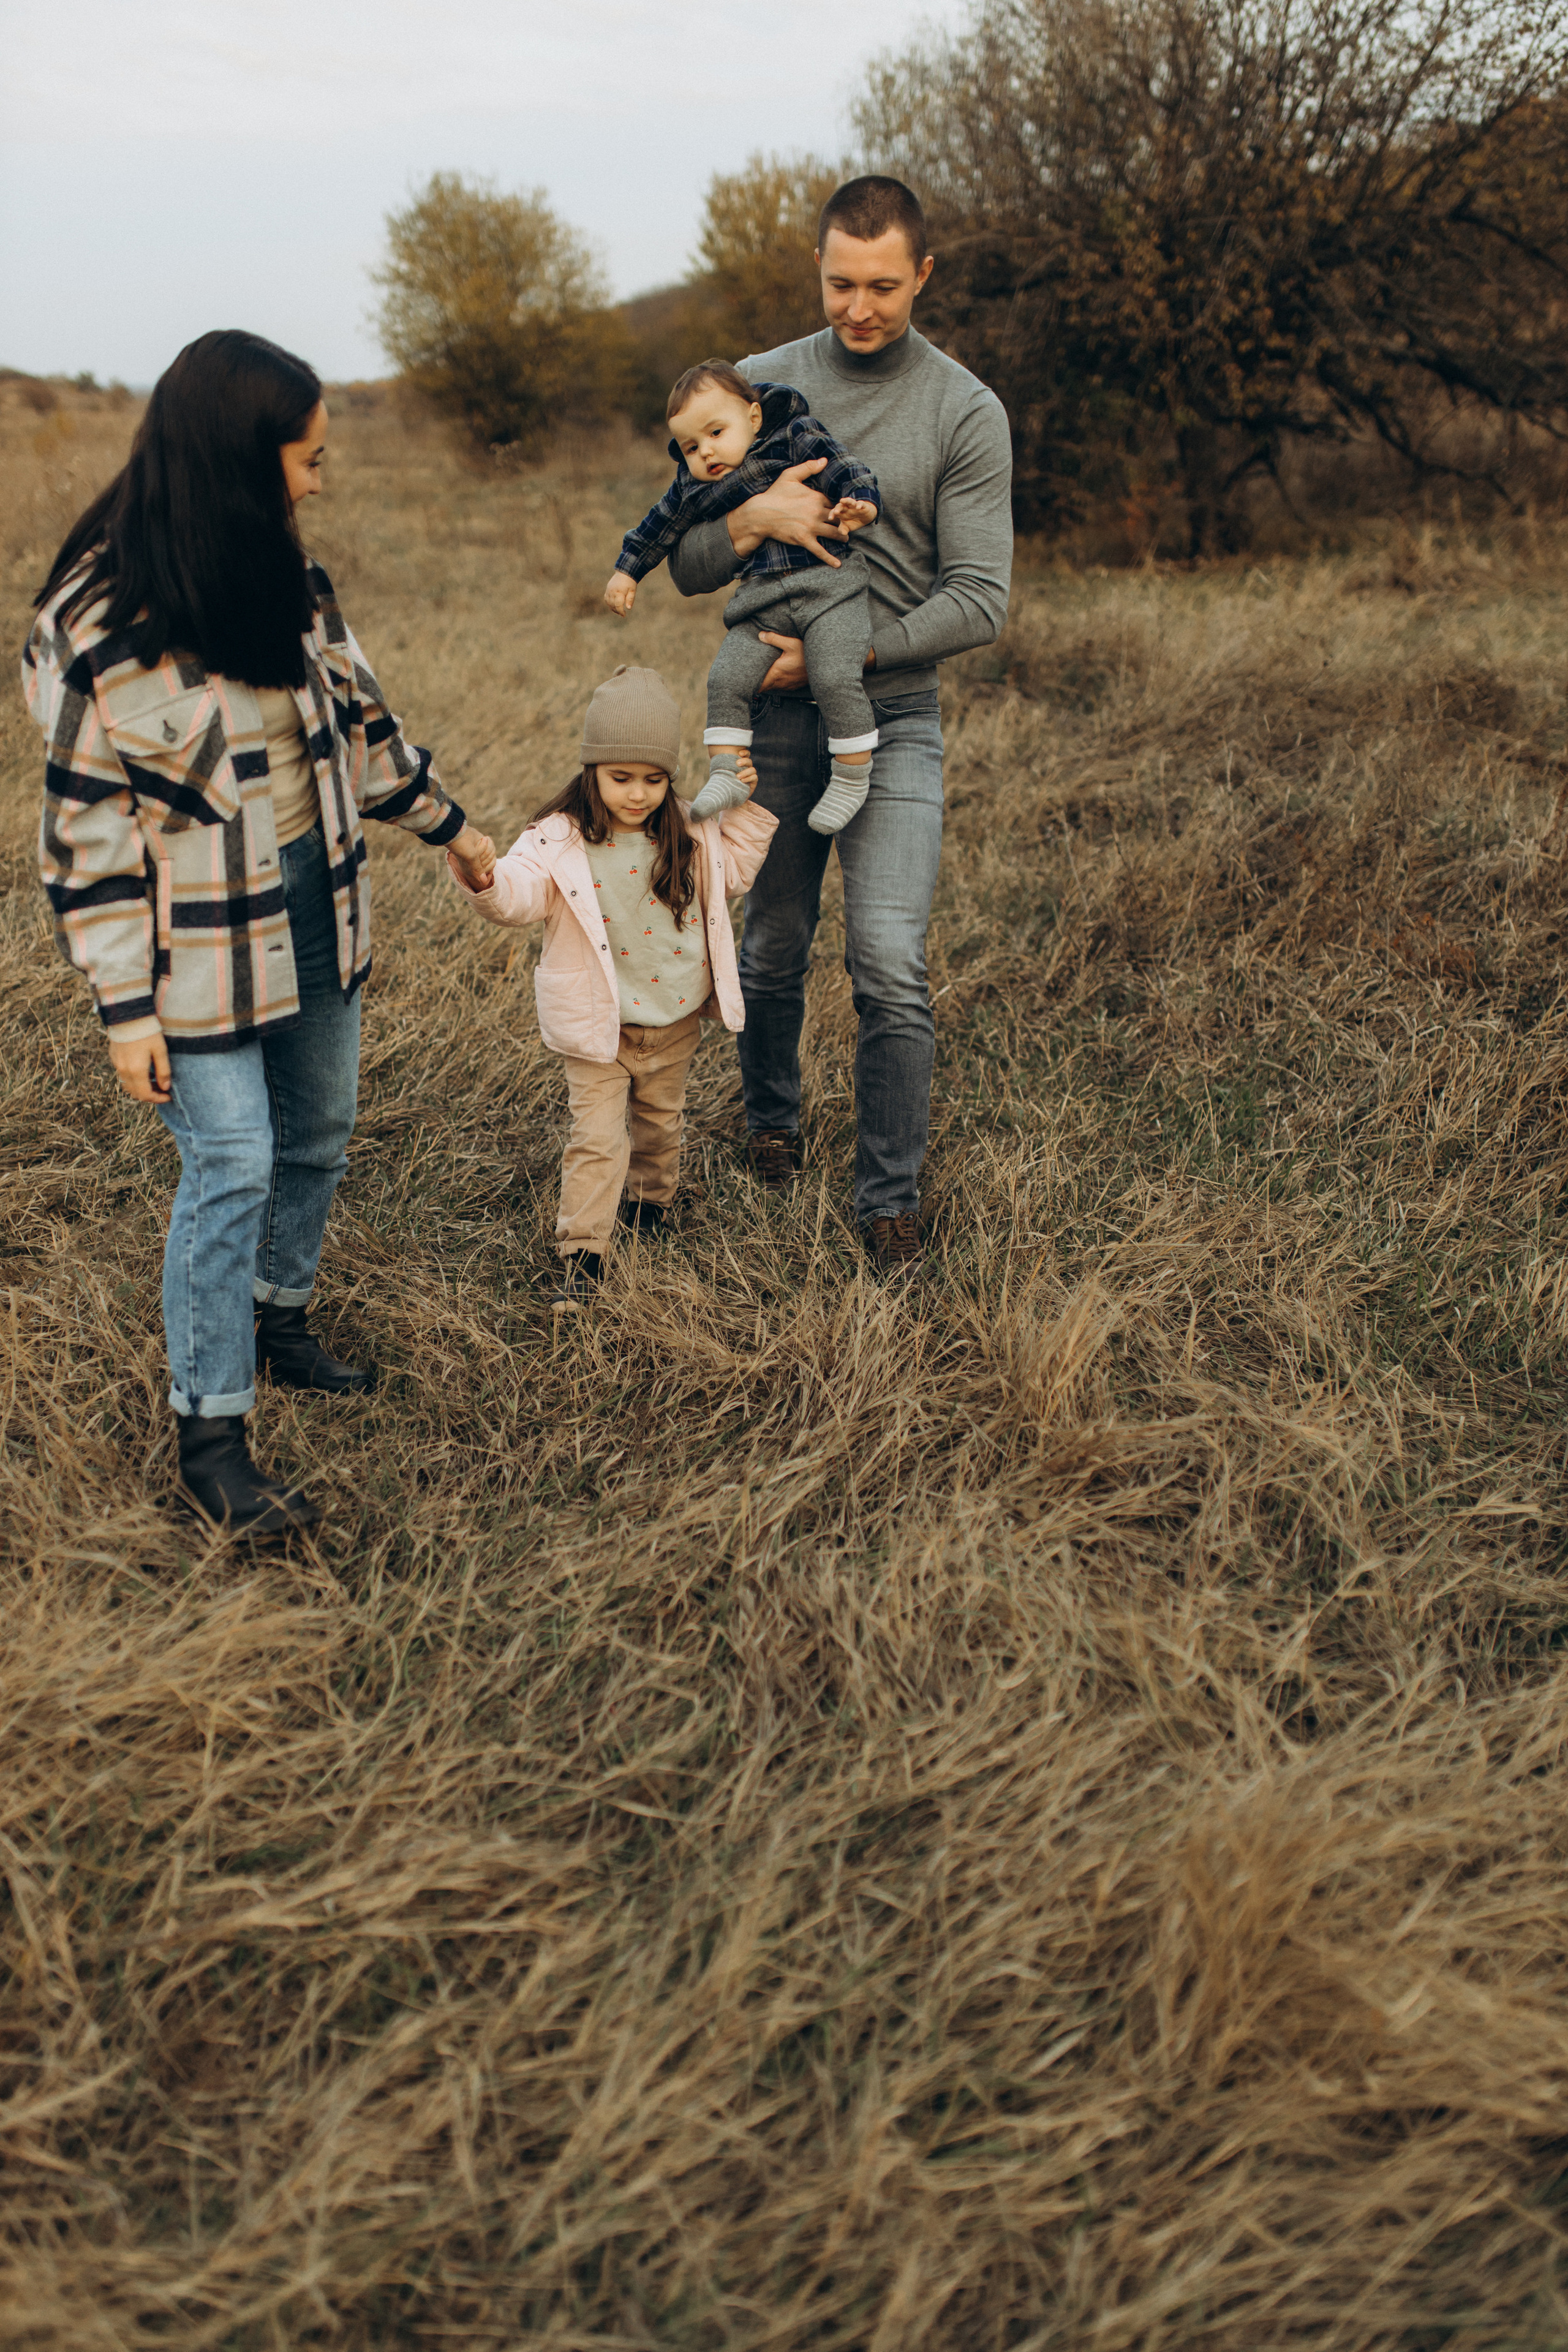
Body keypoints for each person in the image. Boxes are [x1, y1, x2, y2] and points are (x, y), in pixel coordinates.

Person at [23, 330, 496, 1535]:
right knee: (229, 1157)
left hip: (313, 895)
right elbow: (87, 841)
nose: (318, 481)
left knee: (320, 1130)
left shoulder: (291, 582)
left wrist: (449, 827)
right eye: (307, 459)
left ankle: (280, 1315)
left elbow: (365, 724)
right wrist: (122, 1007)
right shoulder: (97, 627)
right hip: (192, 940)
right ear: (240, 460)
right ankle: (213, 1430)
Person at [666, 175, 1013, 1276]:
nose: (858, 309)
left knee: (888, 961)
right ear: (817, 273)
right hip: (767, 726)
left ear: (923, 274)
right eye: (838, 285)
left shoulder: (963, 409)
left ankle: (889, 1201)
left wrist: (845, 653)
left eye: (881, 286)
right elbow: (683, 559)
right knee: (770, 948)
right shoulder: (760, 384)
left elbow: (979, 598)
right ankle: (771, 1121)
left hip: (894, 720)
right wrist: (753, 517)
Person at [448, 666, 775, 1311]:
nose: (637, 794)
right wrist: (485, 879)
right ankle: (583, 1254)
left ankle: (651, 1204)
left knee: (659, 1124)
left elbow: (735, 873)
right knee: (596, 1139)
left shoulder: (689, 829)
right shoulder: (558, 840)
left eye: (653, 779)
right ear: (592, 770)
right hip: (598, 1026)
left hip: (673, 1019)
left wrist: (737, 802)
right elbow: (519, 893)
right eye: (621, 777)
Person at [603, 363, 881, 835]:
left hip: (830, 592)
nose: (706, 451)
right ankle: (728, 773)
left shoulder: (793, 436)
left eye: (716, 432)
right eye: (691, 446)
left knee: (835, 673)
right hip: (763, 606)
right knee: (725, 679)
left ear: (753, 418)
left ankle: (852, 777)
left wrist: (859, 502)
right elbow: (658, 526)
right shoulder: (694, 484)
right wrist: (626, 571)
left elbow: (844, 467)